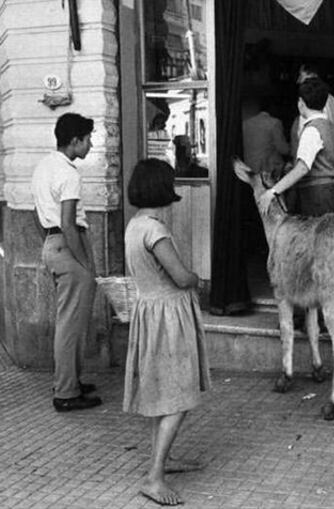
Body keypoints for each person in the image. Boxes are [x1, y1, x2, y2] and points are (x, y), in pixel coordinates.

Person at [124, 158, 211, 506]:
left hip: (149, 312)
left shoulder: (135, 226)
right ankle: (154, 477)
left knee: (164, 391)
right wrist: (198, 279)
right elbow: (179, 276)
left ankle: (164, 459)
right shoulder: (155, 230)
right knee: (179, 394)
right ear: (163, 187)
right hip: (169, 316)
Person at [31, 113, 102, 412]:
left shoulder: (44, 166)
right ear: (75, 141)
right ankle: (66, 392)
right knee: (72, 324)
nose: (90, 144)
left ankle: (69, 380)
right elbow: (68, 222)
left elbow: (42, 217)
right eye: (87, 139)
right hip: (69, 244)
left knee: (68, 321)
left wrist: (54, 245)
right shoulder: (69, 174)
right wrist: (84, 262)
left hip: (52, 243)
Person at [259, 77, 334, 217]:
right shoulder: (331, 128)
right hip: (331, 194)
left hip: (315, 197)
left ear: (300, 103)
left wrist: (272, 192)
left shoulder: (311, 130)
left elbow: (302, 168)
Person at [289, 65, 334, 155]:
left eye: (300, 76)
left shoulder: (312, 102)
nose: (298, 81)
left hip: (318, 162)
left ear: (311, 75)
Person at [241, 95, 290, 175]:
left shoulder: (245, 123)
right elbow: (283, 149)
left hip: (248, 168)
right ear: (273, 107)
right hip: (267, 170)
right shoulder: (274, 123)